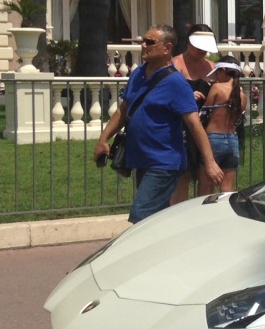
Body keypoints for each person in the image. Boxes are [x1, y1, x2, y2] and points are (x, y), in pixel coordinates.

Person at [94, 25, 223, 223]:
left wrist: (210, 163)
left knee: (141, 214)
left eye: (150, 42)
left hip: (164, 163)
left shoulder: (176, 83)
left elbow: (195, 125)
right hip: (141, 159)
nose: (143, 45)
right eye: (143, 41)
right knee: (157, 218)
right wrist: (104, 139)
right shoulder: (138, 74)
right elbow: (123, 110)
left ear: (167, 48)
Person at [170, 23, 217, 204]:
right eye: (199, 47)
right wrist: (186, 95)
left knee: (205, 173)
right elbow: (167, 92)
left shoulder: (213, 67)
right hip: (182, 127)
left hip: (206, 127)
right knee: (182, 175)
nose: (203, 52)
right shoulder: (175, 64)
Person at [200, 57, 245, 193]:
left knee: (206, 189)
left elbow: (203, 115)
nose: (216, 77)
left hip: (213, 139)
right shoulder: (242, 94)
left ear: (224, 71)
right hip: (232, 140)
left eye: (217, 72)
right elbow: (238, 120)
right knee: (227, 189)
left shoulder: (217, 88)